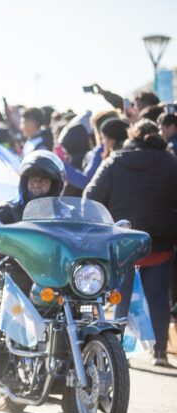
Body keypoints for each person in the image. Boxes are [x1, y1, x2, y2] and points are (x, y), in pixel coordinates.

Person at [0, 150, 65, 413]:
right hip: (14, 282)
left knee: (76, 325)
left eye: (43, 181)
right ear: (24, 182)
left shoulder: (64, 214)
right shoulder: (9, 210)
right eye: (33, 180)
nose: (37, 185)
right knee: (0, 331)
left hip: (54, 284)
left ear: (55, 186)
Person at [84, 119, 177, 367]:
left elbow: (90, 197)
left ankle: (117, 350)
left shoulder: (115, 161)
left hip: (122, 242)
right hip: (160, 241)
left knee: (119, 296)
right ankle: (159, 352)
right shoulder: (170, 162)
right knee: (158, 297)